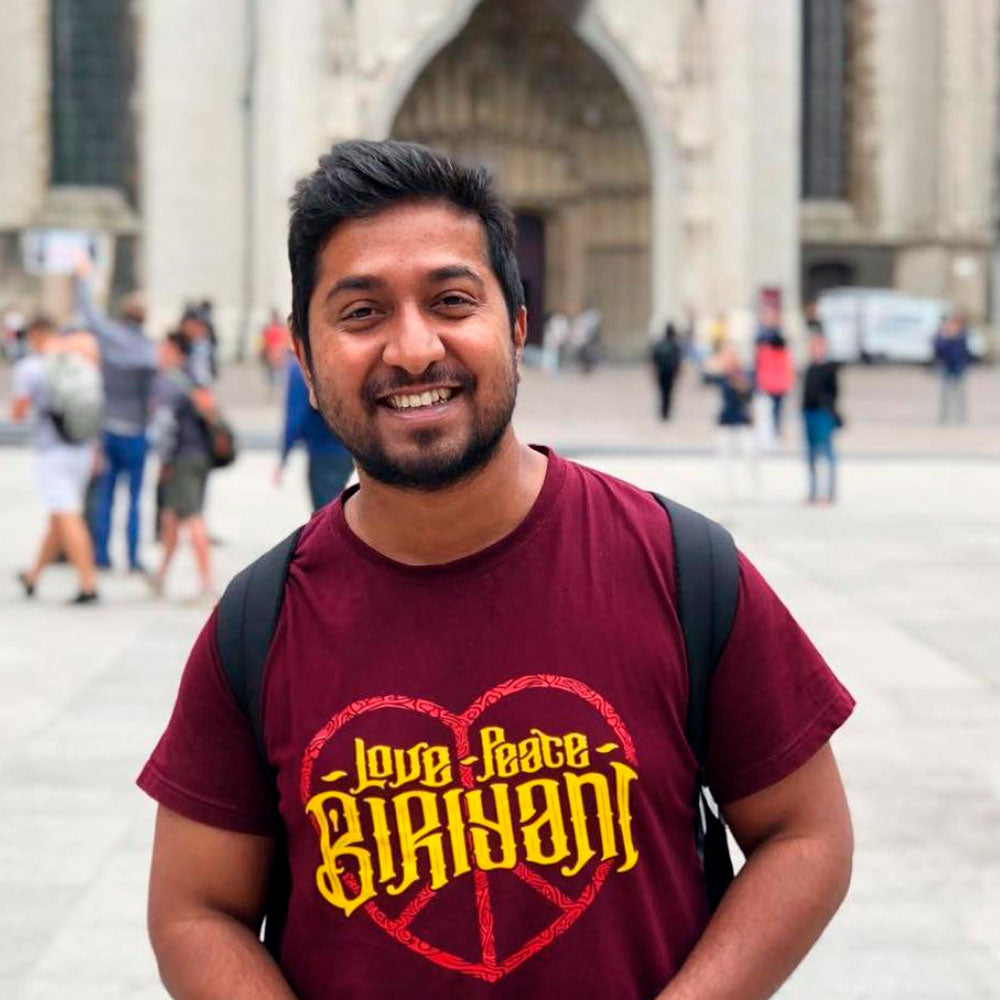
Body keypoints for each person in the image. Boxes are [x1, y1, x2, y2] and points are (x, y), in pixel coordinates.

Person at [138, 140, 854, 1000]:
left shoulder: (681, 567)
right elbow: (195, 909)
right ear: (304, 357)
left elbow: (806, 833)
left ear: (517, 327)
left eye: (451, 300)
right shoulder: (258, 624)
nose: (413, 350)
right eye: (361, 313)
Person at [73, 256, 157, 572]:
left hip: (109, 427)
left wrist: (84, 277)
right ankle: (133, 557)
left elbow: (89, 312)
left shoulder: (109, 338)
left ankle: (102, 555)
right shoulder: (149, 350)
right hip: (137, 431)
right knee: (135, 499)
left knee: (105, 496)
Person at [12, 317, 101, 604]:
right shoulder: (80, 361)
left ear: (34, 335)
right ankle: (33, 577)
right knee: (58, 517)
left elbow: (18, 412)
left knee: (67, 515)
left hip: (52, 452)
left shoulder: (30, 367)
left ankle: (88, 584)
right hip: (82, 449)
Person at [148, 331, 216, 601]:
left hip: (181, 458)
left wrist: (164, 460)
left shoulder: (167, 382)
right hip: (200, 454)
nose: (158, 354)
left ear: (174, 352)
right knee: (170, 517)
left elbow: (164, 425)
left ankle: (207, 585)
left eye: (162, 349)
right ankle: (160, 575)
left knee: (192, 517)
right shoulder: (194, 376)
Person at [274, 353, 354, 510]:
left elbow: (295, 417)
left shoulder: (300, 368)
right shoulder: (337, 360)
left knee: (326, 511)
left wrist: (283, 458)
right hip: (347, 450)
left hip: (321, 452)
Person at [705, 340, 759, 500]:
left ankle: (752, 486)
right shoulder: (720, 376)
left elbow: (750, 394)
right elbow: (705, 379)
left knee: (750, 455)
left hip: (743, 421)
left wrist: (741, 384)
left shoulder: (744, 375)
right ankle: (726, 487)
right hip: (725, 421)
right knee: (724, 458)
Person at [802, 327, 842, 506]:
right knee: (810, 455)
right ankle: (813, 492)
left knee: (827, 454)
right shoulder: (810, 367)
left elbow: (835, 393)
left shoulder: (829, 368)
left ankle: (828, 493)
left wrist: (827, 408)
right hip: (809, 413)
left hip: (823, 414)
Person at [754, 330, 794, 440]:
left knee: (772, 412)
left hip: (771, 386)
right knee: (775, 411)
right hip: (776, 387)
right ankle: (774, 431)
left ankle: (773, 432)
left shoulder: (766, 352)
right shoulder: (782, 354)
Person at [933, 312, 971, 425]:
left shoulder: (961, 336)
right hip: (946, 367)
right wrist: (944, 338)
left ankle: (960, 415)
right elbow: (937, 350)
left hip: (958, 367)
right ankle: (944, 415)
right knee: (945, 393)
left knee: (959, 392)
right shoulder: (942, 335)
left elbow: (963, 352)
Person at [650, 321, 683, 420]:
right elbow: (678, 360)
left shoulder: (659, 344)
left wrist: (652, 372)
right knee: (668, 393)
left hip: (661, 372)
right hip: (670, 372)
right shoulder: (675, 345)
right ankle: (666, 412)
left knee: (662, 392)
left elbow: (653, 359)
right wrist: (679, 372)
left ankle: (663, 412)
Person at [259, 309, 292, 391]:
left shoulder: (272, 328)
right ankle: (276, 387)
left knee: (277, 372)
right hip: (276, 353)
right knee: (276, 372)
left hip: (277, 353)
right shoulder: (274, 328)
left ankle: (276, 387)